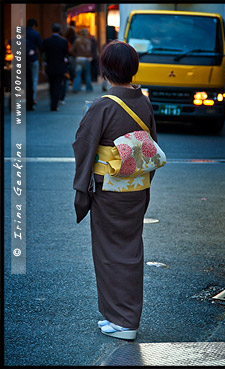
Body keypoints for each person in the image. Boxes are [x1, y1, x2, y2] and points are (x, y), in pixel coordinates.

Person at [72, 40, 157, 340]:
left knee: (109, 252)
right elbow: (150, 144)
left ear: (106, 69)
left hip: (109, 189)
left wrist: (83, 186)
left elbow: (84, 143)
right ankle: (118, 316)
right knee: (130, 250)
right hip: (136, 188)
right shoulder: (142, 101)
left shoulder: (104, 104)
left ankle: (124, 321)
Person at [42, 23, 68, 111]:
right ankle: (55, 104)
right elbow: (65, 54)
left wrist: (44, 65)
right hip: (60, 66)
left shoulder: (46, 41)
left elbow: (44, 54)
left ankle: (52, 102)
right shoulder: (63, 41)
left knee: (51, 85)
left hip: (50, 66)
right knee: (58, 85)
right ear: (59, 30)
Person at [26, 18, 42, 105]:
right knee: (33, 79)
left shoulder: (21, 33)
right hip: (33, 58)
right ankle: (32, 98)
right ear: (34, 25)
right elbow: (40, 46)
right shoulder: (35, 33)